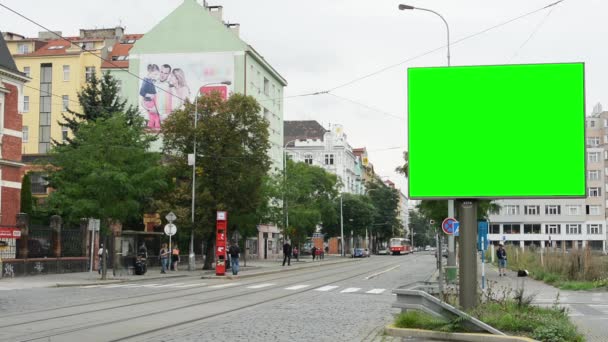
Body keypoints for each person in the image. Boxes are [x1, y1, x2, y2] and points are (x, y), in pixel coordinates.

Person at [139, 64, 160, 130]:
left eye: (157, 74)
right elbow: (141, 92)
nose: (156, 76)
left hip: (150, 102)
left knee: (152, 116)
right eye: (155, 74)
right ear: (150, 72)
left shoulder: (150, 80)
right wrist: (149, 95)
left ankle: (151, 126)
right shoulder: (146, 80)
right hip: (150, 101)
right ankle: (156, 127)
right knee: (156, 115)